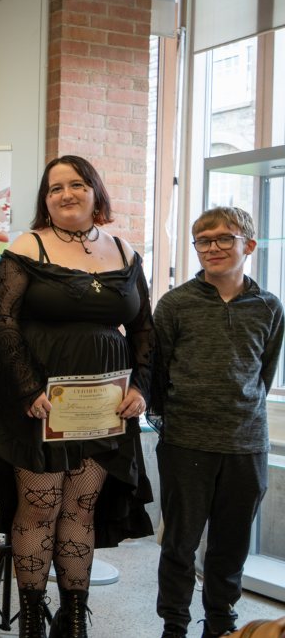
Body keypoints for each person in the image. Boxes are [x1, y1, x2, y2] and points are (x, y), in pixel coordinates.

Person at [0, 156, 155, 637]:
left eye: (77, 184)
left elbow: (144, 328)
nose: (66, 194)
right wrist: (26, 388)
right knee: (40, 506)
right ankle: (32, 620)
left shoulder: (124, 251)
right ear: (45, 199)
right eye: (55, 187)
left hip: (104, 408)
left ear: (95, 191)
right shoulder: (28, 246)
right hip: (40, 404)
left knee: (81, 507)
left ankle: (75, 617)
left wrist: (141, 387)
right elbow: (4, 323)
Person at [153, 207, 284, 638]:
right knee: (180, 544)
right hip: (186, 441)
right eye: (203, 241)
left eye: (224, 239)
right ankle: (174, 624)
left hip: (247, 445)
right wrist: (173, 424)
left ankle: (222, 624)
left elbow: (263, 374)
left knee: (231, 544)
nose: (213, 248)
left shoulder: (269, 307)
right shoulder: (175, 304)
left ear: (249, 245)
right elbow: (157, 374)